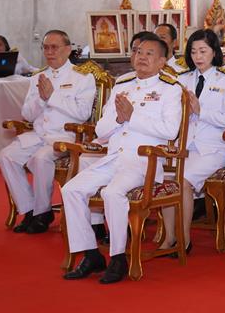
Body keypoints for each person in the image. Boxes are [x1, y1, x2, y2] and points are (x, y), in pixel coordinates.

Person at [61, 36, 183, 284]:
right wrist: (118, 119)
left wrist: (131, 115)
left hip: (143, 162)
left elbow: (170, 131)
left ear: (161, 61)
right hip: (114, 158)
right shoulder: (121, 85)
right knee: (71, 189)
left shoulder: (171, 89)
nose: (142, 57)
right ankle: (92, 254)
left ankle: (118, 257)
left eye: (149, 53)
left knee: (112, 193)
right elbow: (101, 131)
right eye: (138, 52)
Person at [0, 30, 96, 234]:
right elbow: (27, 114)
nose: (49, 52)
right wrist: (40, 99)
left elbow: (83, 113)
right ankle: (29, 209)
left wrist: (52, 97)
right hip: (39, 135)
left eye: (55, 47)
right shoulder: (38, 77)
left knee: (41, 158)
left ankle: (43, 212)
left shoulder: (82, 78)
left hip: (65, 136)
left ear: (68, 50)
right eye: (46, 48)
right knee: (6, 155)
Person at [158, 29, 225, 254]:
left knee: (182, 180)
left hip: (213, 147)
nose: (198, 56)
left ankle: (184, 240)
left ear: (214, 52)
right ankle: (169, 237)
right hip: (185, 144)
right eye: (193, 51)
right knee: (165, 179)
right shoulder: (181, 79)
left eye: (203, 51)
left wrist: (200, 110)